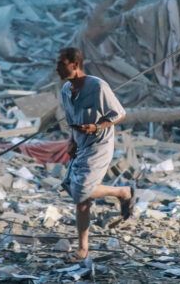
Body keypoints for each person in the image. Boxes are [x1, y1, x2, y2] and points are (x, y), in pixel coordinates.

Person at [56, 47, 134, 262]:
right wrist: (72, 140)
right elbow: (70, 118)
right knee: (78, 196)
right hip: (81, 145)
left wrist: (98, 126)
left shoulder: (98, 86)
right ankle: (121, 193)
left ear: (74, 64)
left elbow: (120, 114)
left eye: (61, 64)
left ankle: (82, 249)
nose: (57, 69)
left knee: (81, 192)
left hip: (99, 144)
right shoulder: (65, 90)